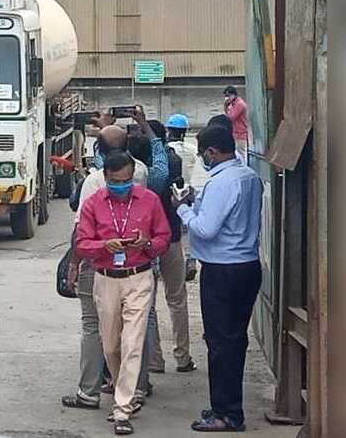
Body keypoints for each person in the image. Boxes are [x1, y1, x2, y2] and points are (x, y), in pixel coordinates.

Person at [174, 125, 263, 432]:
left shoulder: (223, 182)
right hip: (246, 265)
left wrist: (183, 209)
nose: (202, 159)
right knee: (234, 340)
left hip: (223, 270)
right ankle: (226, 405)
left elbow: (206, 228)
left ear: (211, 152)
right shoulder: (247, 176)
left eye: (203, 155)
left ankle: (226, 413)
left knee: (220, 342)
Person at [76, 151, 171, 436]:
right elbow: (82, 243)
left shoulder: (149, 200)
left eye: (128, 180)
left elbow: (164, 238)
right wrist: (104, 246)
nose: (124, 185)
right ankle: (123, 392)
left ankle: (122, 410)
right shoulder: (93, 203)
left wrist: (148, 244)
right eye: (118, 181)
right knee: (111, 346)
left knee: (132, 342)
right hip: (106, 279)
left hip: (139, 276)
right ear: (106, 178)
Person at [146, 120, 196, 375]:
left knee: (147, 304)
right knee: (176, 299)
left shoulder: (138, 166)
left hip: (146, 245)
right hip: (173, 239)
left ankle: (154, 360)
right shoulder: (173, 160)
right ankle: (182, 356)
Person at [166, 113, 200, 282]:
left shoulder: (167, 150)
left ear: (169, 130)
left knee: (171, 228)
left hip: (171, 192)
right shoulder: (192, 149)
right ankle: (191, 260)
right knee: (187, 228)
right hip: (188, 191)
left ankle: (166, 264)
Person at [222, 86, 250, 161]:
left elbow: (231, 117)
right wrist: (226, 107)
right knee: (235, 154)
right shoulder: (233, 104)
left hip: (240, 133)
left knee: (240, 154)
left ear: (233, 95)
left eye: (228, 96)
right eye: (226, 96)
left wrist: (226, 105)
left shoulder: (239, 104)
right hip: (234, 133)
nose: (227, 98)